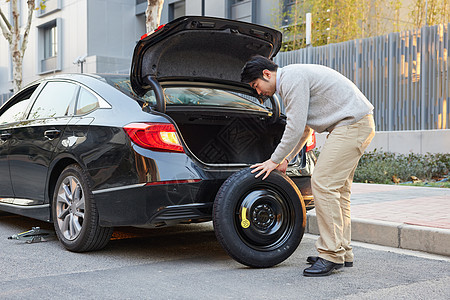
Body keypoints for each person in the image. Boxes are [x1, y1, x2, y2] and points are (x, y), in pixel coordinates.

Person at [240, 55, 375, 277]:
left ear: (266, 74)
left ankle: (331, 254)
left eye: (256, 86)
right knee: (339, 191)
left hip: (351, 125)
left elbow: (294, 126)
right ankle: (342, 252)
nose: (258, 92)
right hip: (354, 125)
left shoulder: (292, 78)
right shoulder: (292, 79)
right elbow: (305, 130)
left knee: (322, 184)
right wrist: (286, 159)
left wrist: (273, 160)